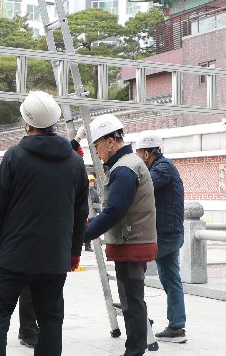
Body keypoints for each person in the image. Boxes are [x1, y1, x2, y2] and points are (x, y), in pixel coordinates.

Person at [0, 91, 87, 356]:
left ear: (27, 123)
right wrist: (73, 253)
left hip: (13, 257)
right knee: (50, 320)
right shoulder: (75, 163)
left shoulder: (15, 156)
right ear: (55, 122)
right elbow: (79, 213)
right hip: (53, 259)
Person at [84, 115, 157, 356]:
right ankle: (134, 347)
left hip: (131, 242)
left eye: (96, 146)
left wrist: (83, 234)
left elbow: (115, 211)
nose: (97, 152)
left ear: (110, 141)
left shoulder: (125, 168)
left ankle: (134, 350)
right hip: (131, 241)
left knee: (132, 302)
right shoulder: (126, 163)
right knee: (132, 300)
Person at [134, 132, 187, 344]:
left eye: (138, 154)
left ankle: (137, 313)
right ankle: (176, 327)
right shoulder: (160, 167)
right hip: (169, 233)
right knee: (171, 279)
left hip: (166, 235)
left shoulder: (162, 169)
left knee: (133, 266)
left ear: (147, 153)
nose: (138, 158)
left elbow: (144, 187)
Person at [84, 174, 101, 252]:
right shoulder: (83, 190)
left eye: (92, 181)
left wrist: (98, 212)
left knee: (89, 229)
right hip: (83, 214)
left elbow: (98, 203)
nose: (91, 183)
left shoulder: (95, 193)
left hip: (91, 214)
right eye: (90, 181)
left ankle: (88, 246)